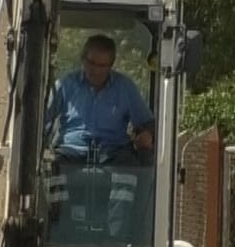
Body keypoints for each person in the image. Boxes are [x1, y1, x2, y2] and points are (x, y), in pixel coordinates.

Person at [46, 34, 155, 163]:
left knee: (132, 164)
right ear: (83, 59)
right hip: (71, 153)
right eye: (91, 63)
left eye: (102, 66)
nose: (96, 70)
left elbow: (147, 122)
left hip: (114, 155)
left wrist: (146, 135)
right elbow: (42, 118)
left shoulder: (125, 88)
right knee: (52, 167)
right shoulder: (66, 84)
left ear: (111, 65)